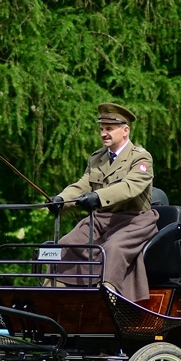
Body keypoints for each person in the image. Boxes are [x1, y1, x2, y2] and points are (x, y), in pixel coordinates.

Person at [48, 103, 159, 302]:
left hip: (133, 221)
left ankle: (107, 297)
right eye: (101, 129)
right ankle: (54, 293)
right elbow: (83, 184)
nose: (104, 134)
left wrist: (98, 197)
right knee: (65, 244)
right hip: (101, 220)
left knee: (112, 249)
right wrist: (61, 200)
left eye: (109, 129)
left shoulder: (141, 158)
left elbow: (129, 186)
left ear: (125, 130)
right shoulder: (97, 158)